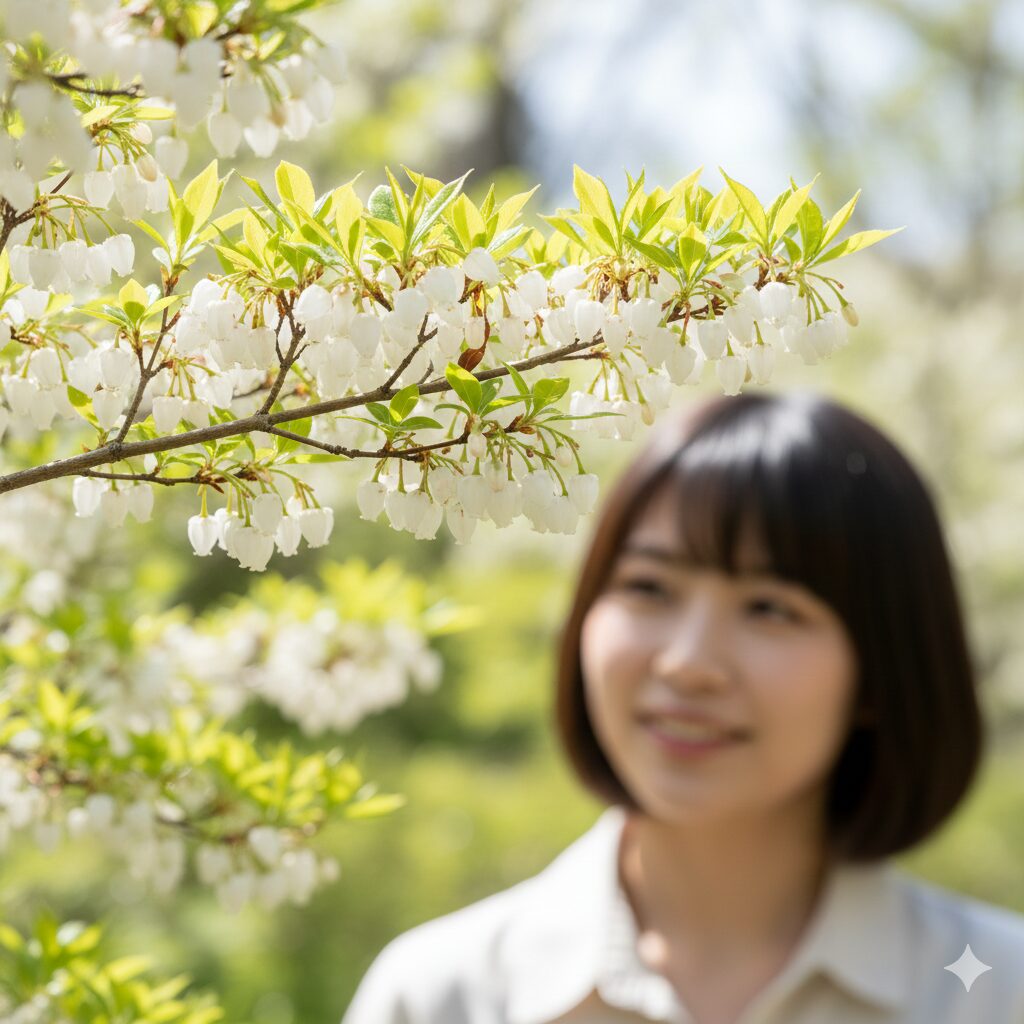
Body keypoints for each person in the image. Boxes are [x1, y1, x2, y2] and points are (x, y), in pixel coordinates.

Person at [341, 390, 1024, 1024]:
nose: (687, 663)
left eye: (769, 608)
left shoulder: (993, 988)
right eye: (649, 587)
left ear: (882, 670)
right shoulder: (444, 994)